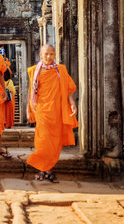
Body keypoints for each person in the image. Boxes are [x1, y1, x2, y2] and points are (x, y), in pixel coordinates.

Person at [26, 45, 78, 183]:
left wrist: (72, 103)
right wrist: (28, 109)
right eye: (46, 54)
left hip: (57, 110)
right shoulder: (34, 71)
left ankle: (47, 170)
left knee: (54, 142)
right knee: (43, 140)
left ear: (55, 54)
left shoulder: (60, 70)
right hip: (41, 109)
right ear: (40, 55)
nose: (49, 57)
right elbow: (31, 91)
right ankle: (43, 169)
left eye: (51, 54)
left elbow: (67, 89)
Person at [3, 63, 16, 128]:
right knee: (9, 113)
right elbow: (13, 91)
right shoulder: (9, 81)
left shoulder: (0, 81)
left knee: (3, 112)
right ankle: (9, 124)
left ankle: (3, 123)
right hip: (9, 100)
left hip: (2, 100)